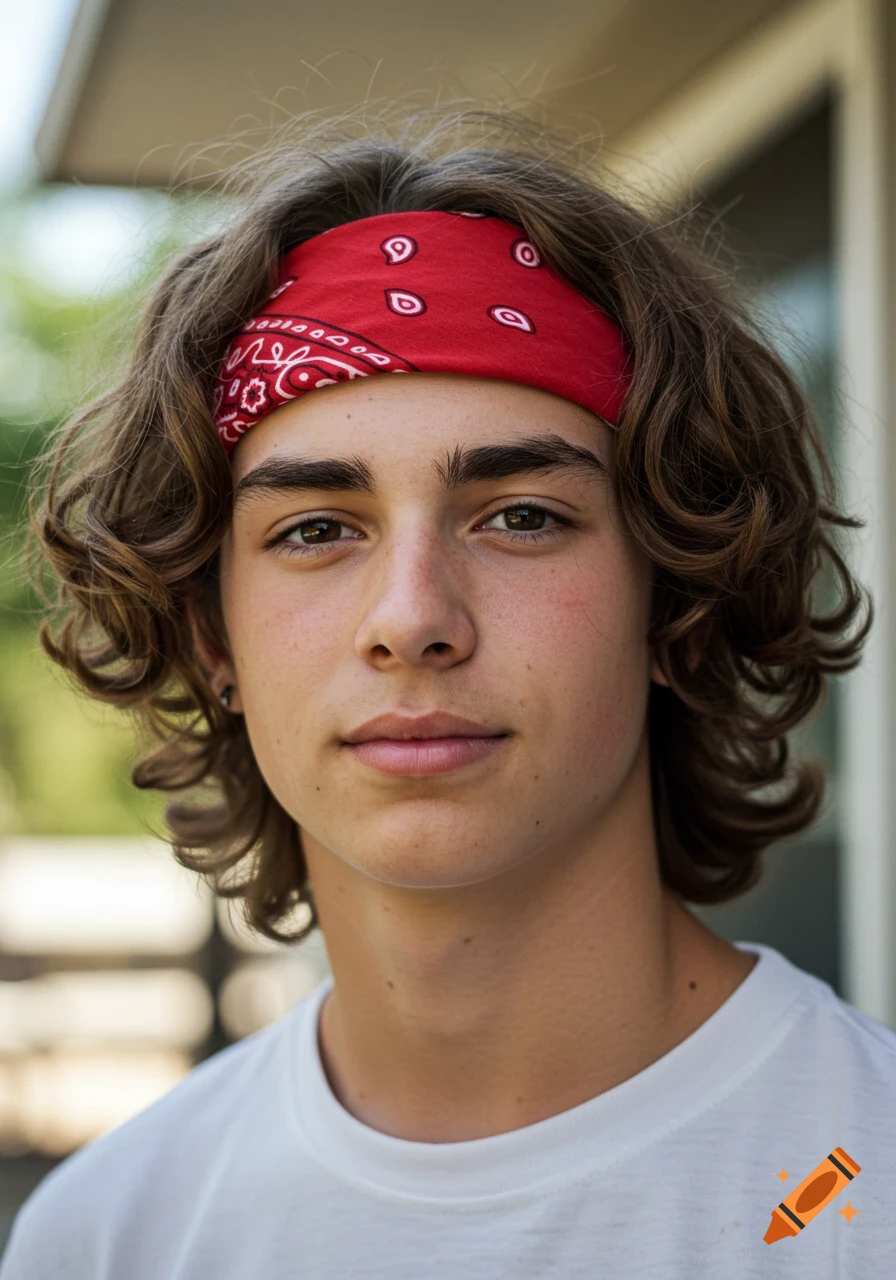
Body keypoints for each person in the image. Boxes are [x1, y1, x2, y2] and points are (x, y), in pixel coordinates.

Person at [2, 106, 893, 1277]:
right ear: (211, 633)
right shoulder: (108, 1235)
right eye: (316, 527)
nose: (413, 617)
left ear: (671, 605)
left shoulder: (864, 1186)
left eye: (521, 516)